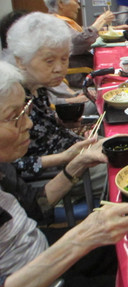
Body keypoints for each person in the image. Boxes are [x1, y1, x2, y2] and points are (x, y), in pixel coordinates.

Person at [0, 61, 128, 287]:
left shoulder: (3, 167)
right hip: (41, 284)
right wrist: (81, 238)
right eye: (14, 117)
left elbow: (34, 204)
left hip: (41, 249)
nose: (28, 123)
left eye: (25, 111)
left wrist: (76, 162)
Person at [2, 12, 104, 191]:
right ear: (20, 60)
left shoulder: (37, 85)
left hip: (73, 149)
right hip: (54, 173)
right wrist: (65, 157)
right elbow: (10, 167)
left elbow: (44, 127)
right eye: (49, 61)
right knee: (124, 167)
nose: (59, 69)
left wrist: (61, 121)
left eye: (64, 59)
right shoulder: (10, 96)